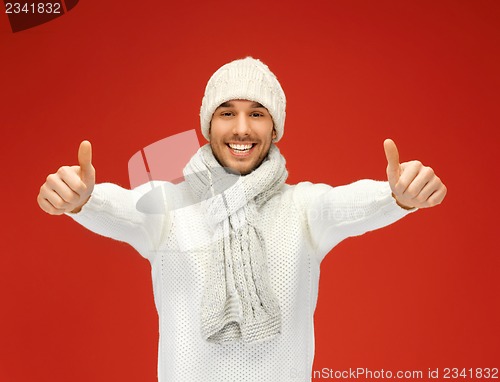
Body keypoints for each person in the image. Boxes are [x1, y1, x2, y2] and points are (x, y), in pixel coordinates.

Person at [37, 57, 446, 382]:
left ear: (275, 127)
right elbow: (116, 205)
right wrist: (82, 198)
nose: (242, 128)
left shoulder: (304, 207)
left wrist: (398, 195)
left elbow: (353, 202)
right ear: (208, 124)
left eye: (257, 113)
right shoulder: (168, 206)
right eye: (227, 113)